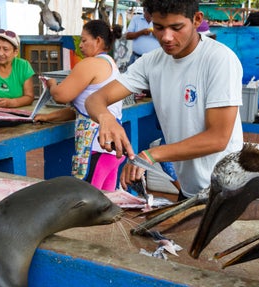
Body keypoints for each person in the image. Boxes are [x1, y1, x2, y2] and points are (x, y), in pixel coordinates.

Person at [85, 0, 244, 201]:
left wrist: (151, 155)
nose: (166, 37)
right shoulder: (152, 61)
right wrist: (106, 118)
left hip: (228, 191)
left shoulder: (220, 60)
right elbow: (95, 99)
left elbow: (218, 138)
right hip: (191, 190)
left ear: (197, 20)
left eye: (176, 28)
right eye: (159, 28)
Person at [34, 19, 125, 192]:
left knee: (85, 202)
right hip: (112, 151)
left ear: (98, 41)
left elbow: (61, 96)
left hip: (96, 149)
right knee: (104, 204)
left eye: (84, 40)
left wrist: (52, 84)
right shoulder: (110, 64)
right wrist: (47, 117)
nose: (80, 46)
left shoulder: (91, 63)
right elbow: (82, 111)